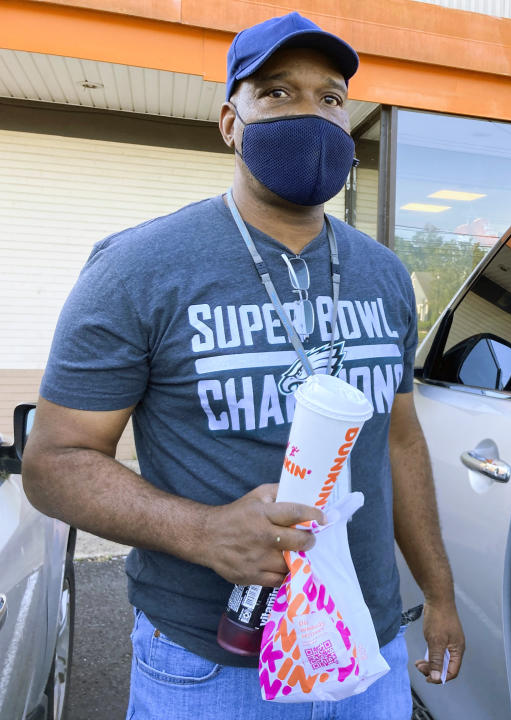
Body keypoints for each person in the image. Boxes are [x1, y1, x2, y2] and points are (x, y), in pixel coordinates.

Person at [22, 12, 464, 719]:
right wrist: (203, 532)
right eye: (278, 93)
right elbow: (54, 462)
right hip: (213, 665)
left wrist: (438, 596)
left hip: (364, 650)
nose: (310, 114)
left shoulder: (384, 275)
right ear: (231, 121)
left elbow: (400, 442)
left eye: (329, 99)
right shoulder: (139, 267)